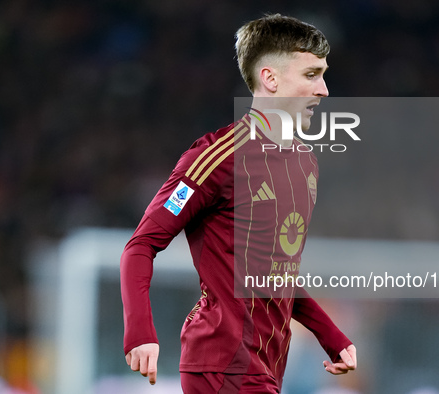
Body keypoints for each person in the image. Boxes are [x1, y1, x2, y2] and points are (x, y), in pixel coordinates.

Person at [120, 13, 357, 393]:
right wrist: (140, 332)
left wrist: (330, 335)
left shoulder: (304, 162)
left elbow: (275, 273)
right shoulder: (219, 157)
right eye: (311, 75)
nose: (324, 90)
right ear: (270, 79)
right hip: (223, 362)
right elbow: (140, 246)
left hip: (266, 366)